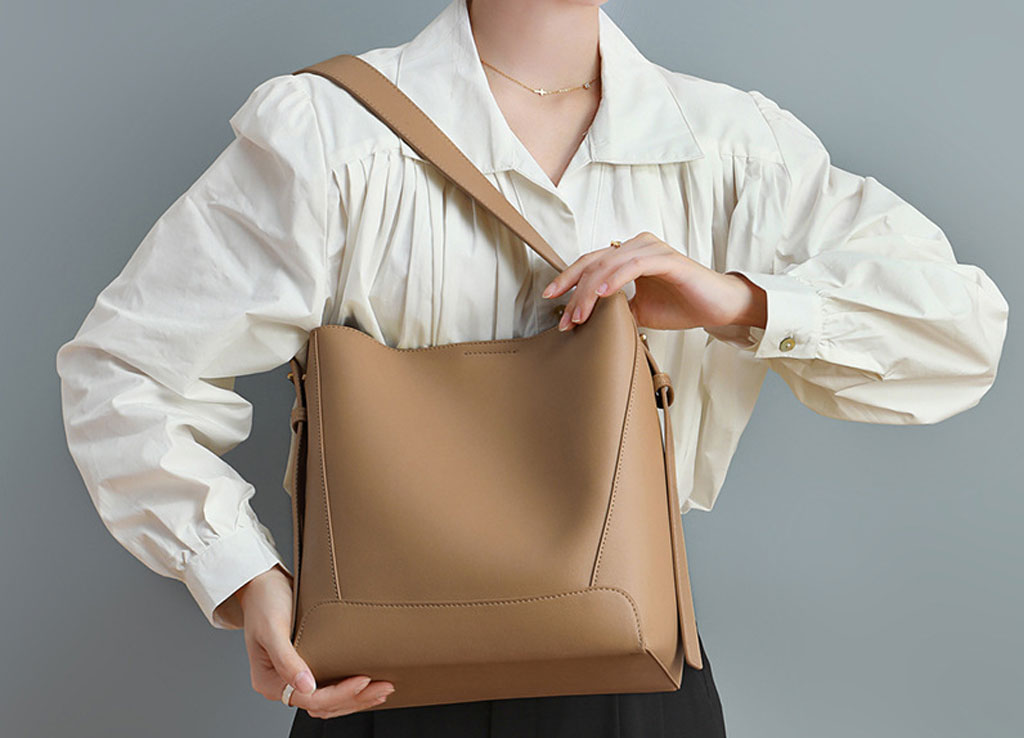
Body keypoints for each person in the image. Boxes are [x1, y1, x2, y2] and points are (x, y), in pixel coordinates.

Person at [54, 0, 1009, 735]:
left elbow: (964, 331)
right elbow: (124, 369)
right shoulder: (332, 134)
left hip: (634, 676)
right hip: (380, 684)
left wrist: (738, 301)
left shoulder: (730, 149)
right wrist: (240, 575)